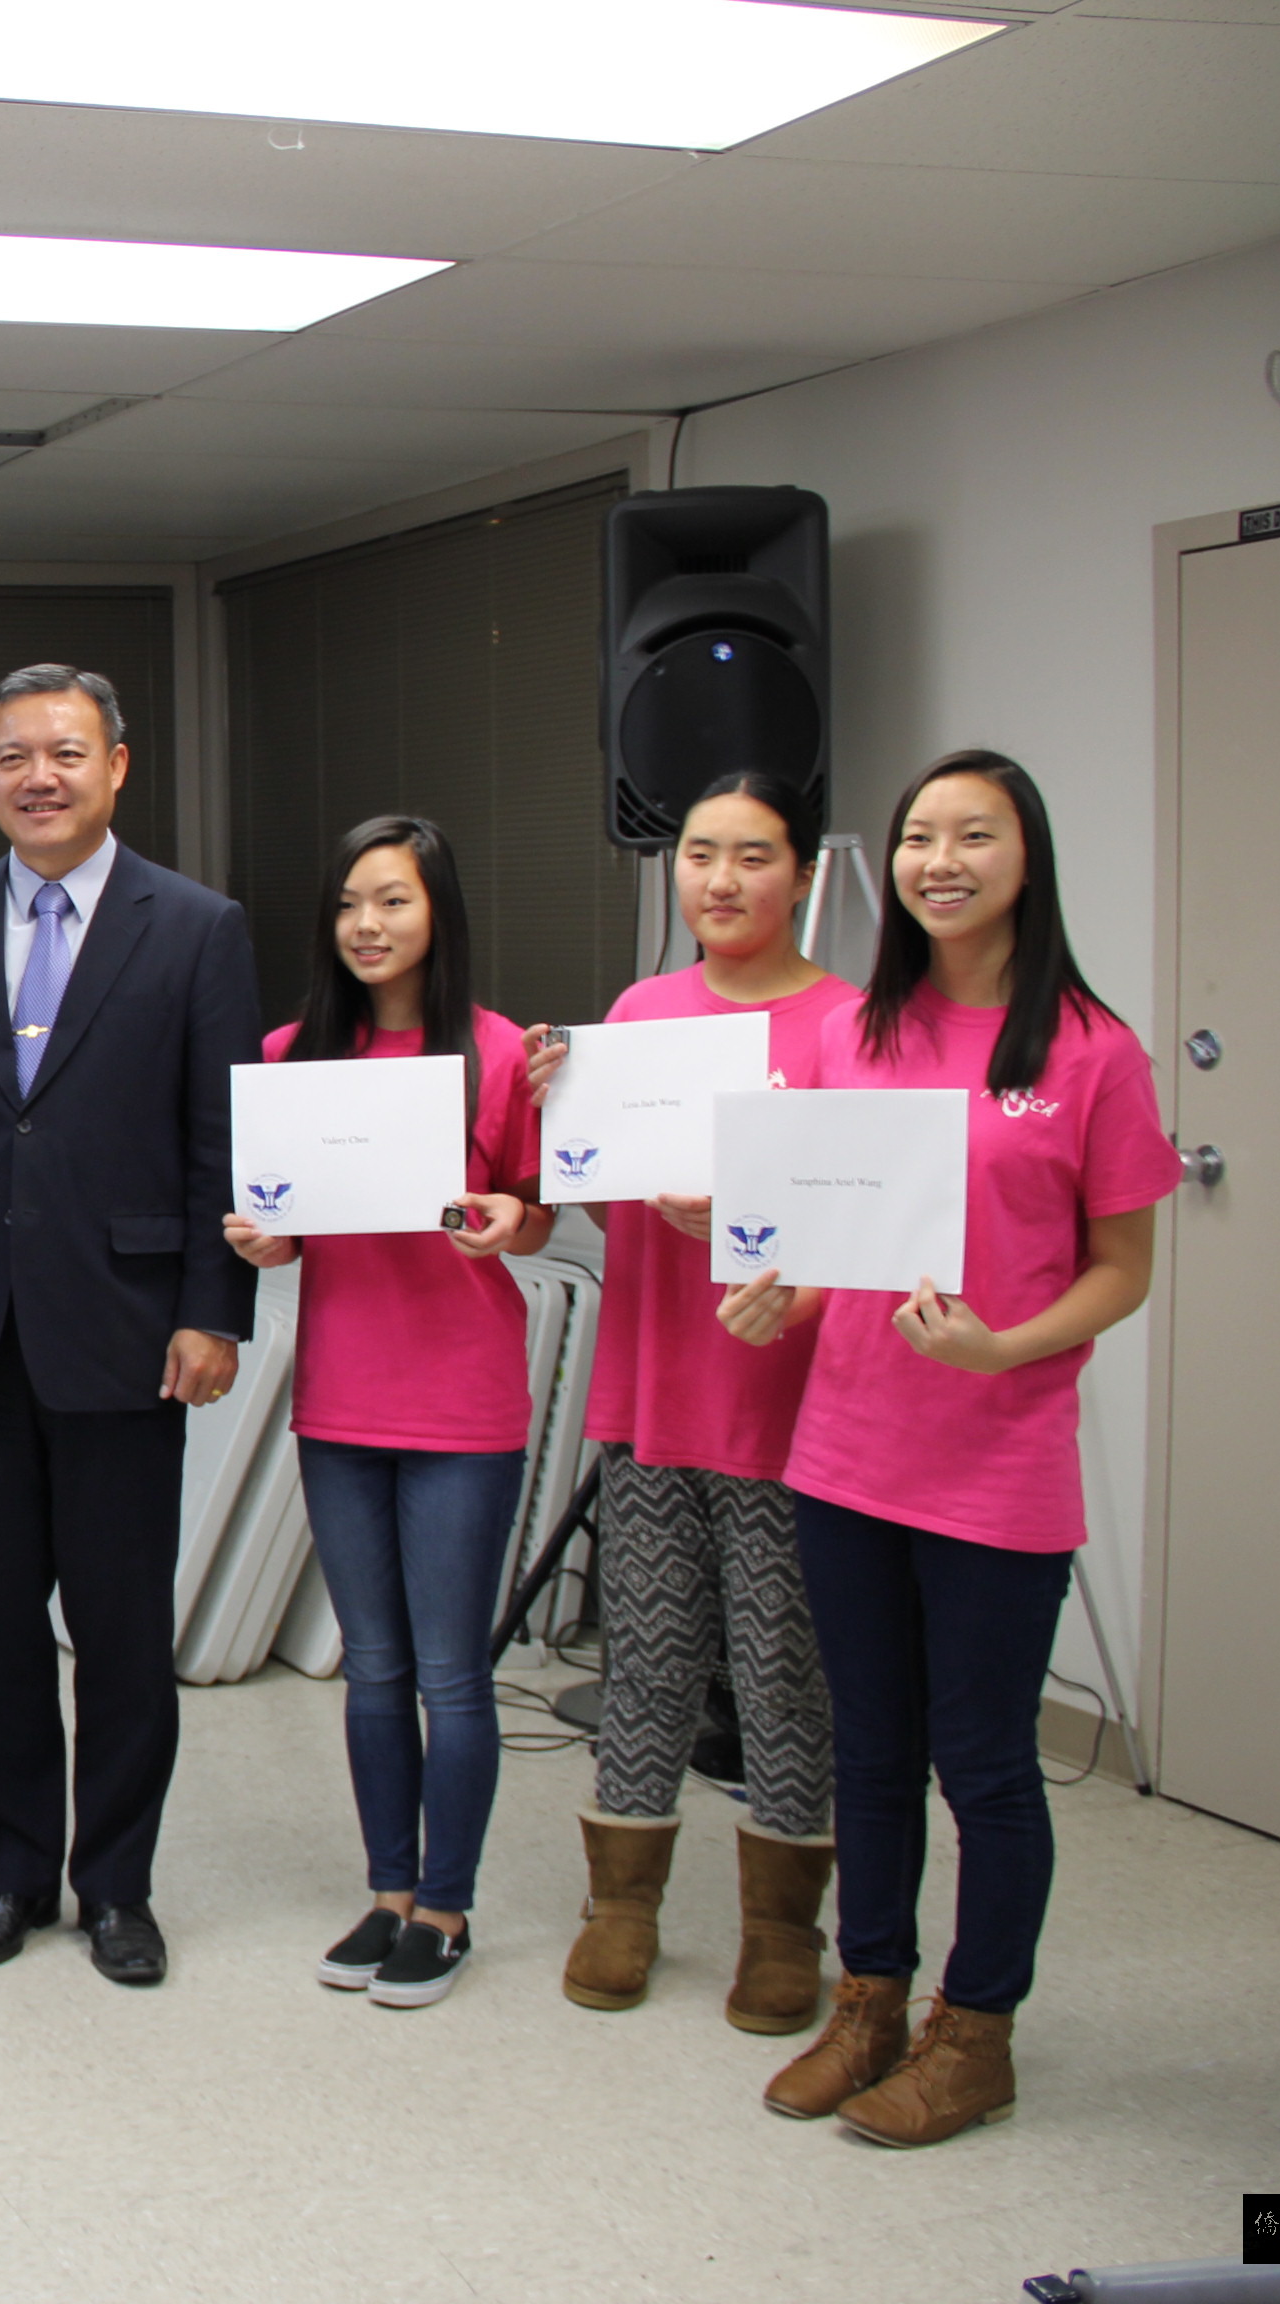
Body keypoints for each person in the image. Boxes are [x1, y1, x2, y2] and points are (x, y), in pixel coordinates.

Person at [739, 751, 1179, 2145]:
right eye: (920, 836)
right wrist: (778, 1294)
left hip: (997, 1459)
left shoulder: (1093, 1051)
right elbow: (831, 1229)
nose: (939, 861)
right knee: (869, 1747)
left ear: (1024, 859)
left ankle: (975, 2032)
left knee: (982, 1763)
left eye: (971, 836)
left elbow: (1125, 1268)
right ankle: (868, 1999)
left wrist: (1006, 1345)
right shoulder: (858, 1033)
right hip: (848, 1449)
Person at [0, 663, 262, 1989]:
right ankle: (12, 1873)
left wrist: (215, 1310)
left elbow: (220, 1142)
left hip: (131, 1332)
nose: (41, 776)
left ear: (117, 765)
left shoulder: (197, 927)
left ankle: (118, 1886)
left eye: (67, 752)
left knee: (126, 1632)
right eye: (16, 754)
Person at [522, 772, 852, 2032]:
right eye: (700, 854)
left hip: (788, 1399)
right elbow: (612, 1204)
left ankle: (781, 1930)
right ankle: (625, 1906)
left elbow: (874, 1218)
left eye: (753, 856)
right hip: (658, 1383)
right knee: (647, 1654)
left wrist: (764, 1219)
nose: (721, 880)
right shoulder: (639, 1013)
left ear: (806, 875)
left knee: (782, 1671)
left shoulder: (853, 1026)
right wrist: (571, 1126)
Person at [225, 815, 552, 2011]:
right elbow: (289, 1223)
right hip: (343, 1397)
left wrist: (509, 1222)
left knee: (450, 1673)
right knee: (372, 1671)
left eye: (394, 902)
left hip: (464, 1395)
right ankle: (387, 1893)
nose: (368, 926)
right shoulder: (290, 1052)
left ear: (439, 915)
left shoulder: (505, 1055)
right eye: (352, 904)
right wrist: (266, 1241)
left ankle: (449, 1909)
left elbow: (535, 1209)